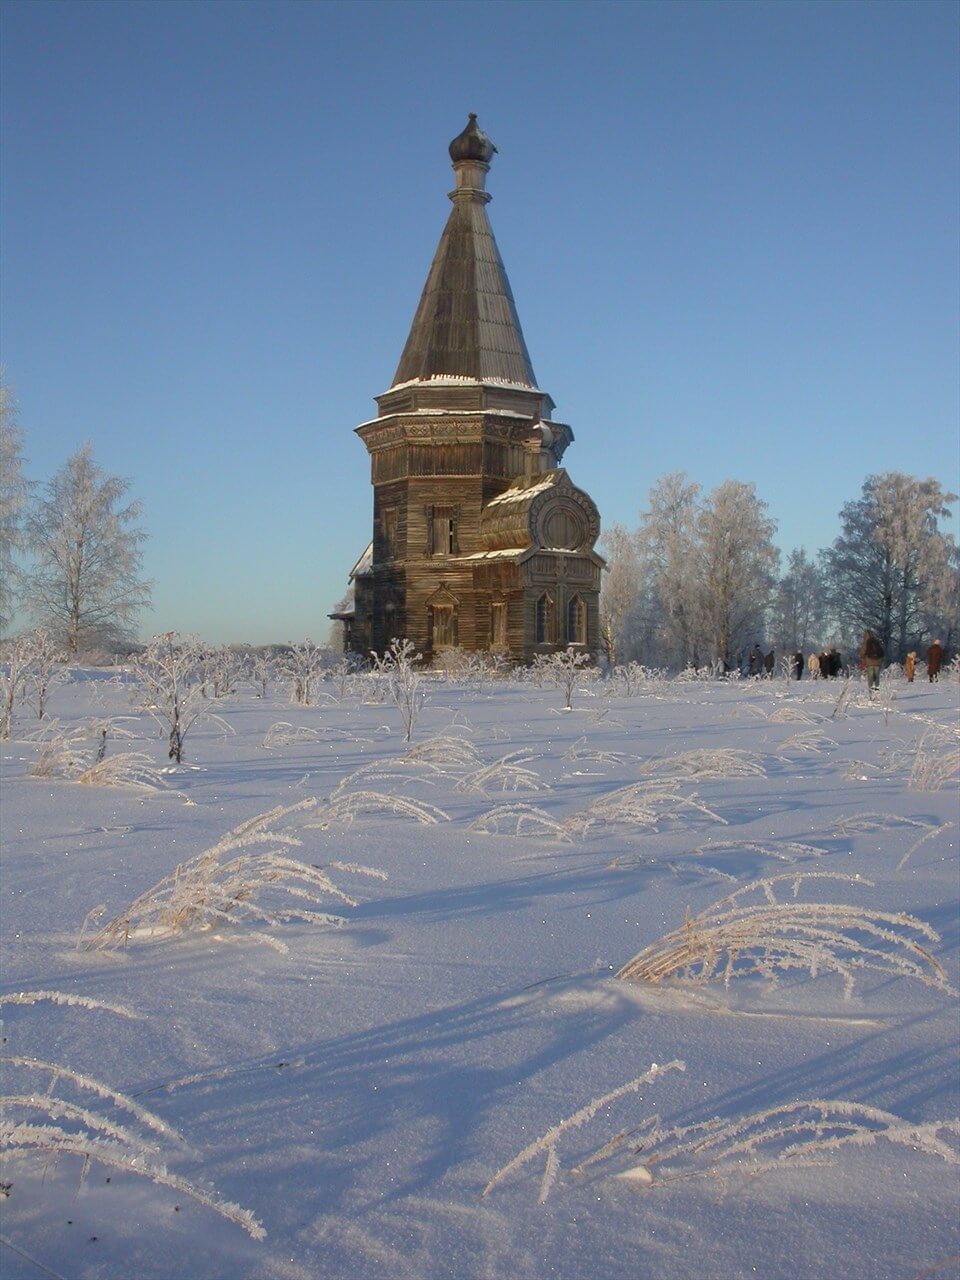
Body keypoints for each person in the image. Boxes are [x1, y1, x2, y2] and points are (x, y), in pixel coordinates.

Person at [859, 629, 883, 694]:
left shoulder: (866, 642)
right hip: (877, 663)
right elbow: (881, 651)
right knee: (876, 678)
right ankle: (877, 691)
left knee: (870, 679)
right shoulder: (876, 641)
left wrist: (862, 656)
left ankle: (871, 693)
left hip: (869, 663)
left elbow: (862, 653)